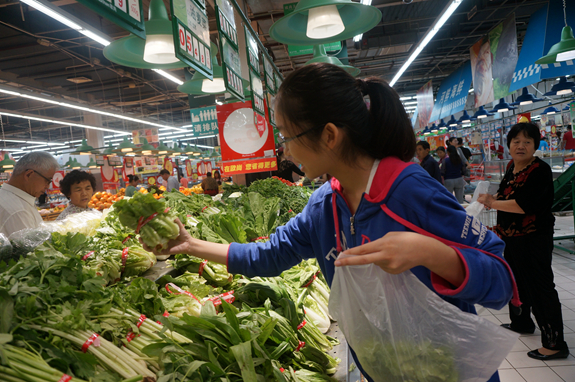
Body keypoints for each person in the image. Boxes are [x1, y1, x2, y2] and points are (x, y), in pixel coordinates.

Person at [141, 63, 516, 382]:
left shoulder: (408, 189)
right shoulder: (323, 207)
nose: (284, 149)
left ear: (330, 135)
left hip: (450, 369)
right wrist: (189, 245)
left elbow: (501, 281)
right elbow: (268, 255)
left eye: (288, 135)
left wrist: (430, 252)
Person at [478, 122, 569, 361]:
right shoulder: (512, 167)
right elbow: (508, 194)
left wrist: (492, 203)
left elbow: (524, 204)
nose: (521, 146)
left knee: (540, 286)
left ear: (535, 146)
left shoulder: (540, 170)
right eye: (516, 141)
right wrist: (492, 197)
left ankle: (554, 343)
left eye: (527, 142)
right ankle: (521, 322)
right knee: (517, 282)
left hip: (533, 238)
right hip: (512, 238)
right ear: (508, 145)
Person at [0, 152, 59, 237]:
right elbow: (32, 249)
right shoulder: (19, 211)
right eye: (47, 180)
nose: (48, 186)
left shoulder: (9, 198)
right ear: (29, 174)